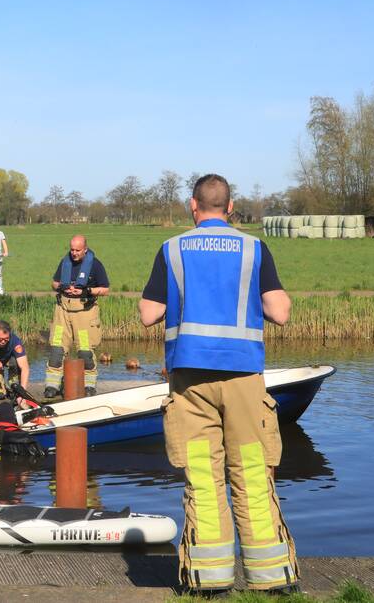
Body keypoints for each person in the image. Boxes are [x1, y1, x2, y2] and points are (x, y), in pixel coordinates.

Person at [138, 173, 298, 595]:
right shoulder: (254, 248)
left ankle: (210, 582)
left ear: (193, 207)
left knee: (204, 477)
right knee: (251, 472)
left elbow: (148, 313)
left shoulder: (171, 249)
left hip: (189, 381)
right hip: (244, 378)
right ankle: (273, 580)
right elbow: (280, 312)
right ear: (230, 207)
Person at [44, 235, 109, 398]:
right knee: (56, 350)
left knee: (85, 352)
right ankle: (52, 385)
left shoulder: (95, 265)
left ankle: (89, 385)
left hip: (84, 313)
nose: (74, 253)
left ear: (85, 249)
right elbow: (54, 283)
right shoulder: (65, 262)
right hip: (63, 311)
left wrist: (86, 291)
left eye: (77, 250)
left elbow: (105, 289)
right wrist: (62, 287)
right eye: (72, 250)